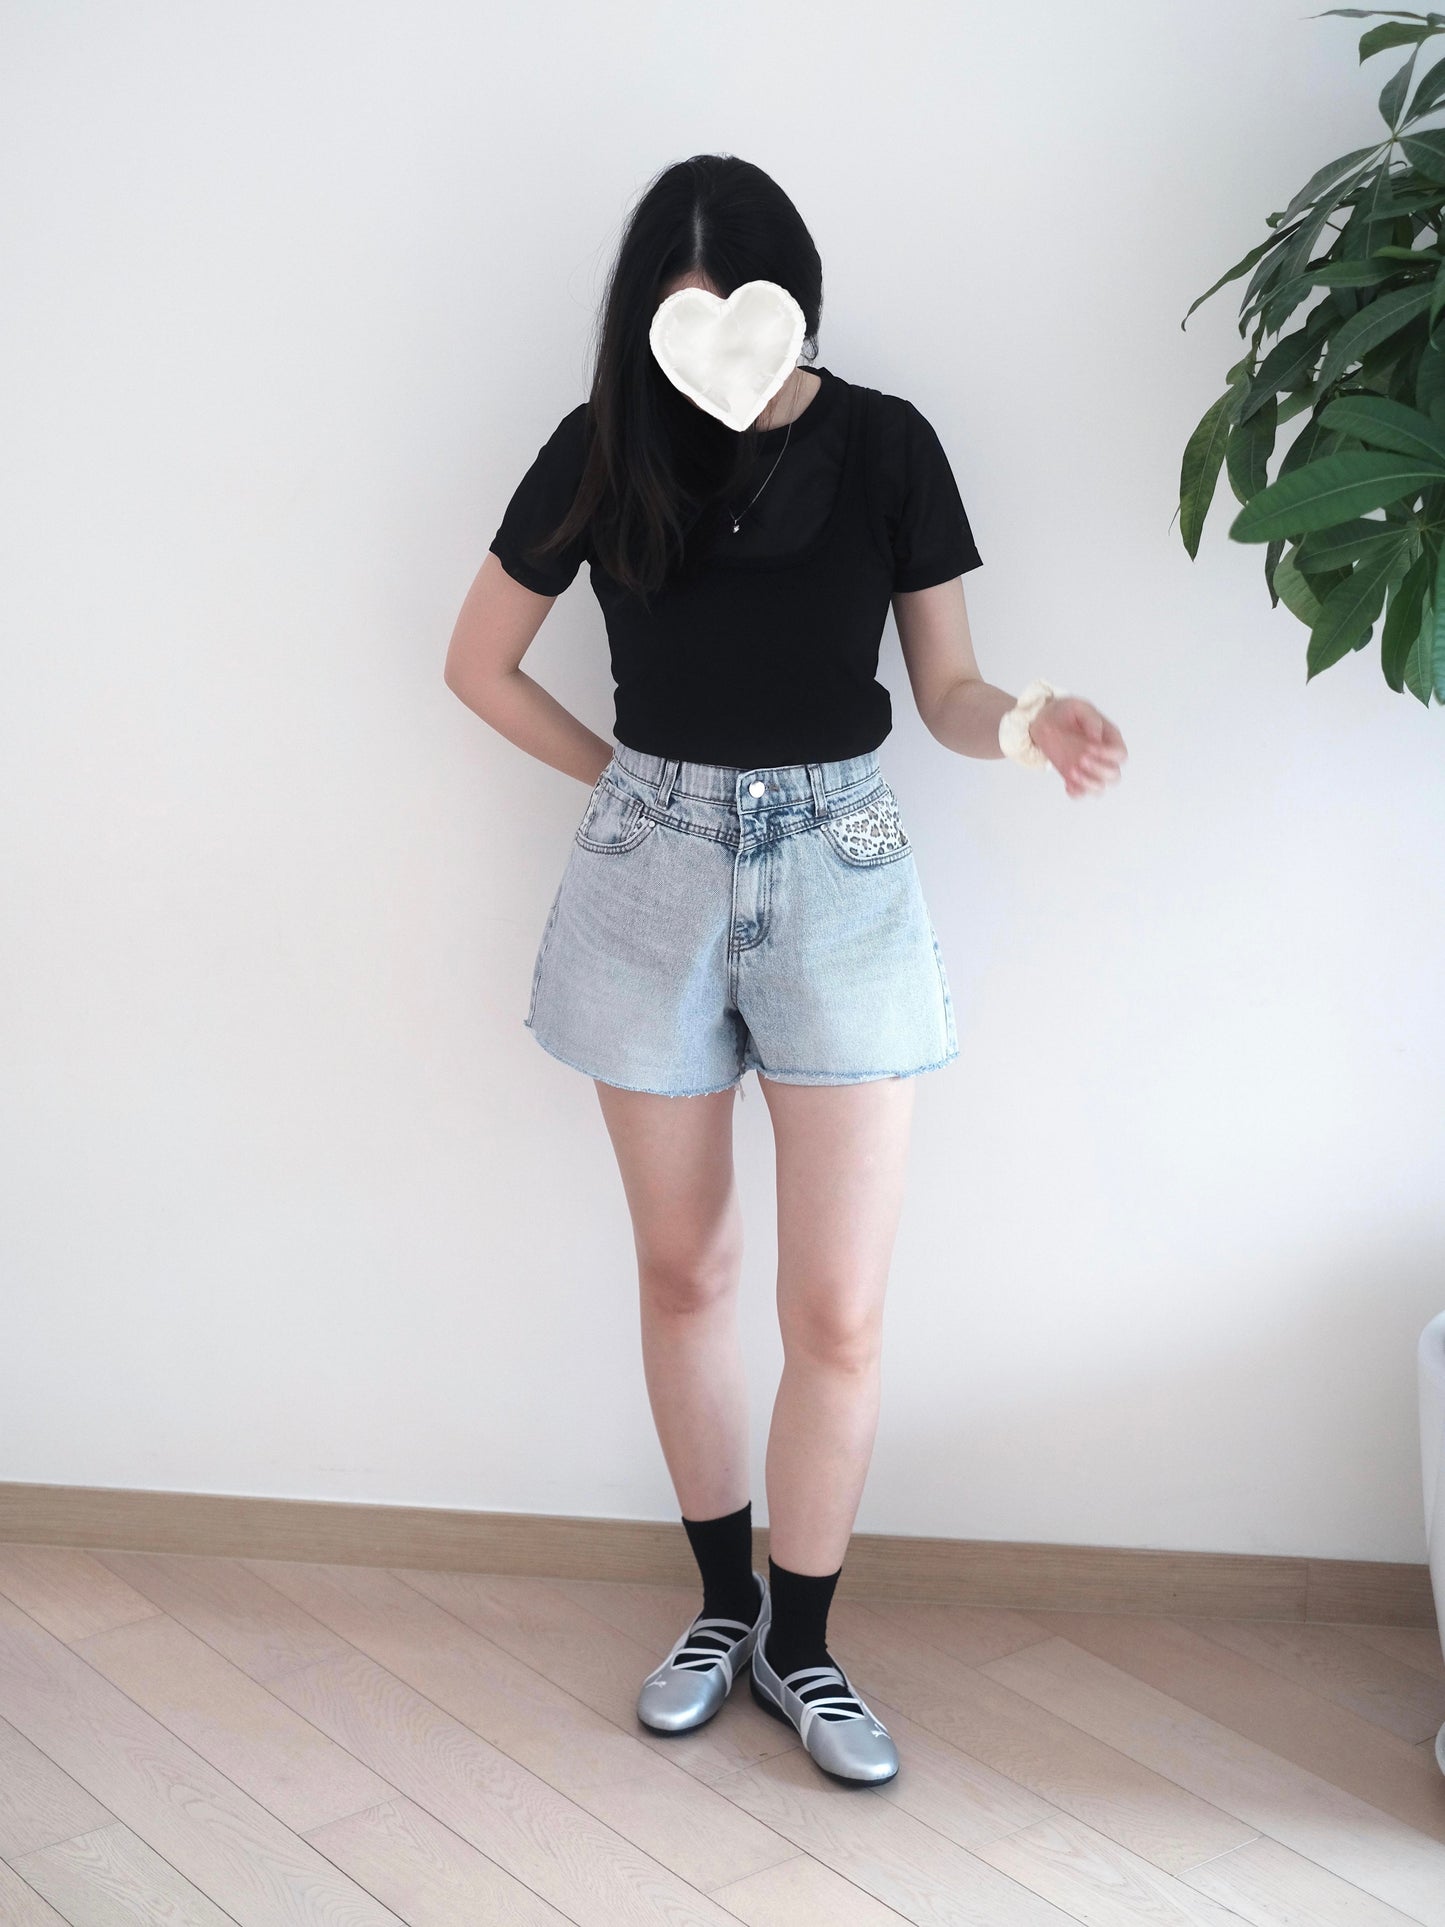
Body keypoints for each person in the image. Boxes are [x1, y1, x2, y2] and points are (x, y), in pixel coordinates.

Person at [444, 153, 1127, 1786]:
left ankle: (799, 1648)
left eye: (732, 310)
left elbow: (945, 688)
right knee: (684, 1274)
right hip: (647, 877)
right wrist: (632, 788)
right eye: (673, 316)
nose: (708, 347)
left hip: (840, 874)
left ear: (792, 299)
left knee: (837, 1307)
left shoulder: (886, 444)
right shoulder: (603, 445)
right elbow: (477, 663)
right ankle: (718, 1608)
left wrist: (1028, 725)